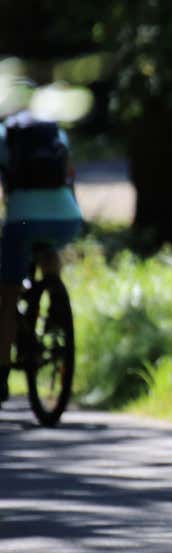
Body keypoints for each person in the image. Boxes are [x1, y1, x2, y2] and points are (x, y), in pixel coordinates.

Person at [0, 111, 83, 406]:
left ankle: (2, 373)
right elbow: (69, 175)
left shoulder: (4, 137)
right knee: (48, 250)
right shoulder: (57, 134)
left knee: (7, 295)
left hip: (22, 221)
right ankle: (55, 299)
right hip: (67, 218)